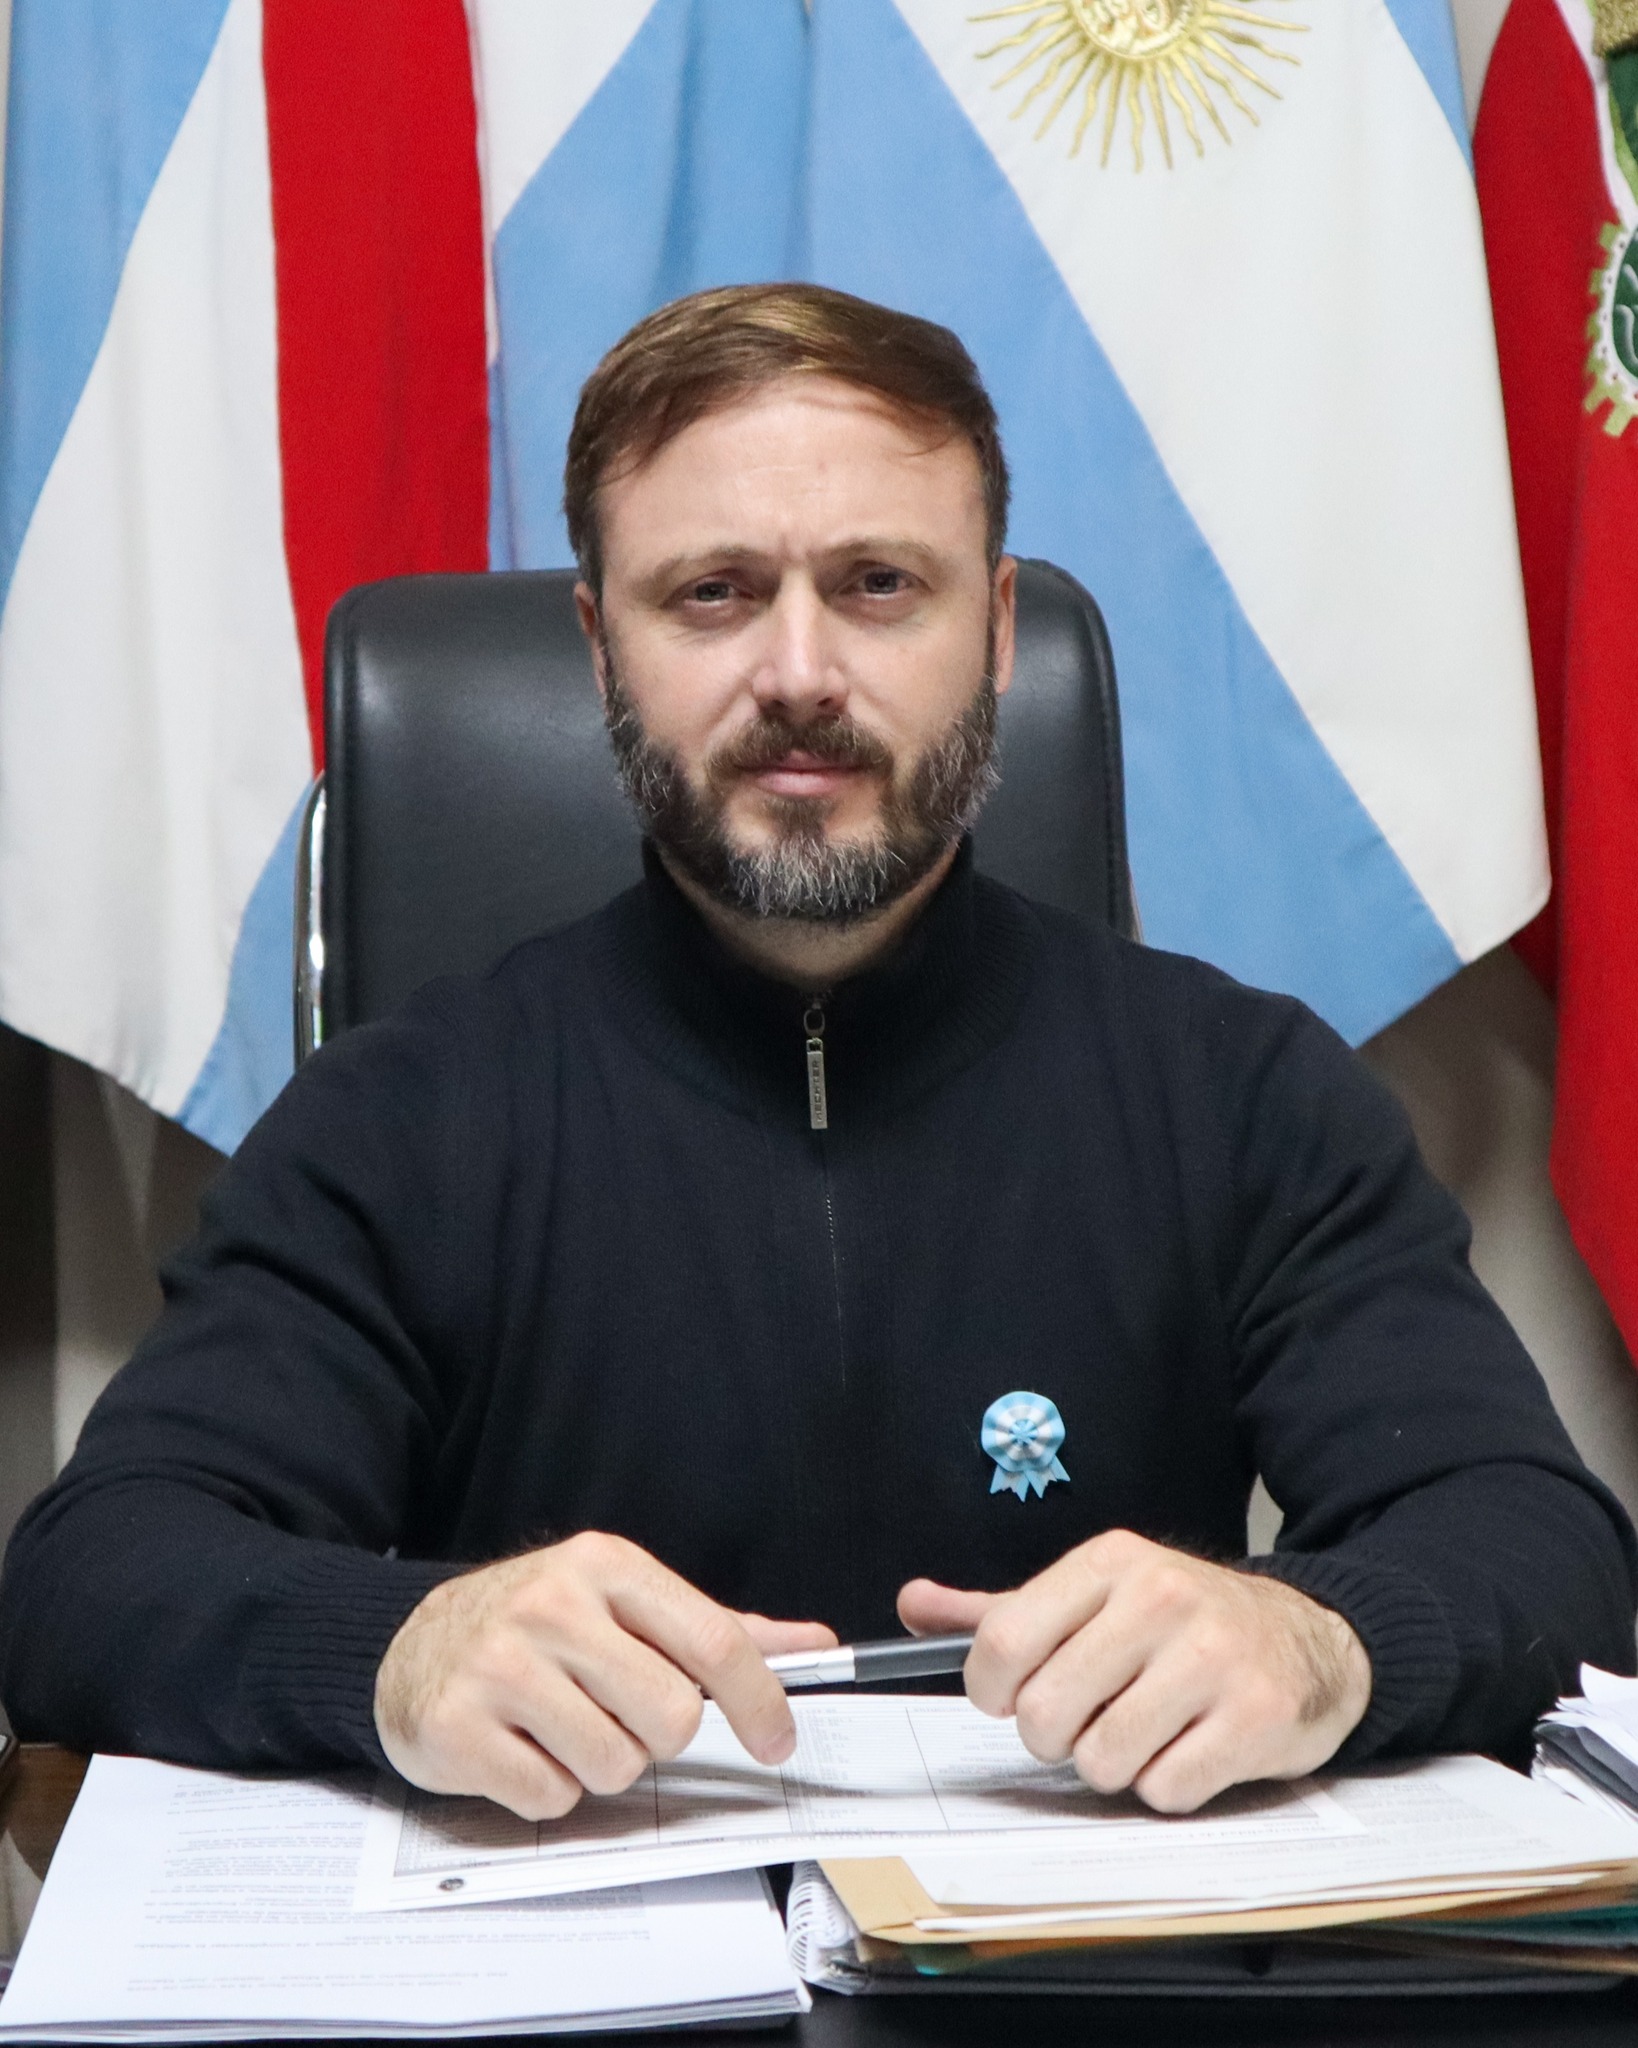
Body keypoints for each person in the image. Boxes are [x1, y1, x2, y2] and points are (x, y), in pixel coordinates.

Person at [2, 285, 1632, 1823]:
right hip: (584, 1962)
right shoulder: (399, 1117)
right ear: (601, 649)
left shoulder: (1238, 1090)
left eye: (878, 586)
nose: (798, 675)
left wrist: (1319, 1639)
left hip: (1091, 1972)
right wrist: (395, 1649)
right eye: (712, 593)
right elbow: (93, 1575)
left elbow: (1542, 1545)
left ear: (995, 629)